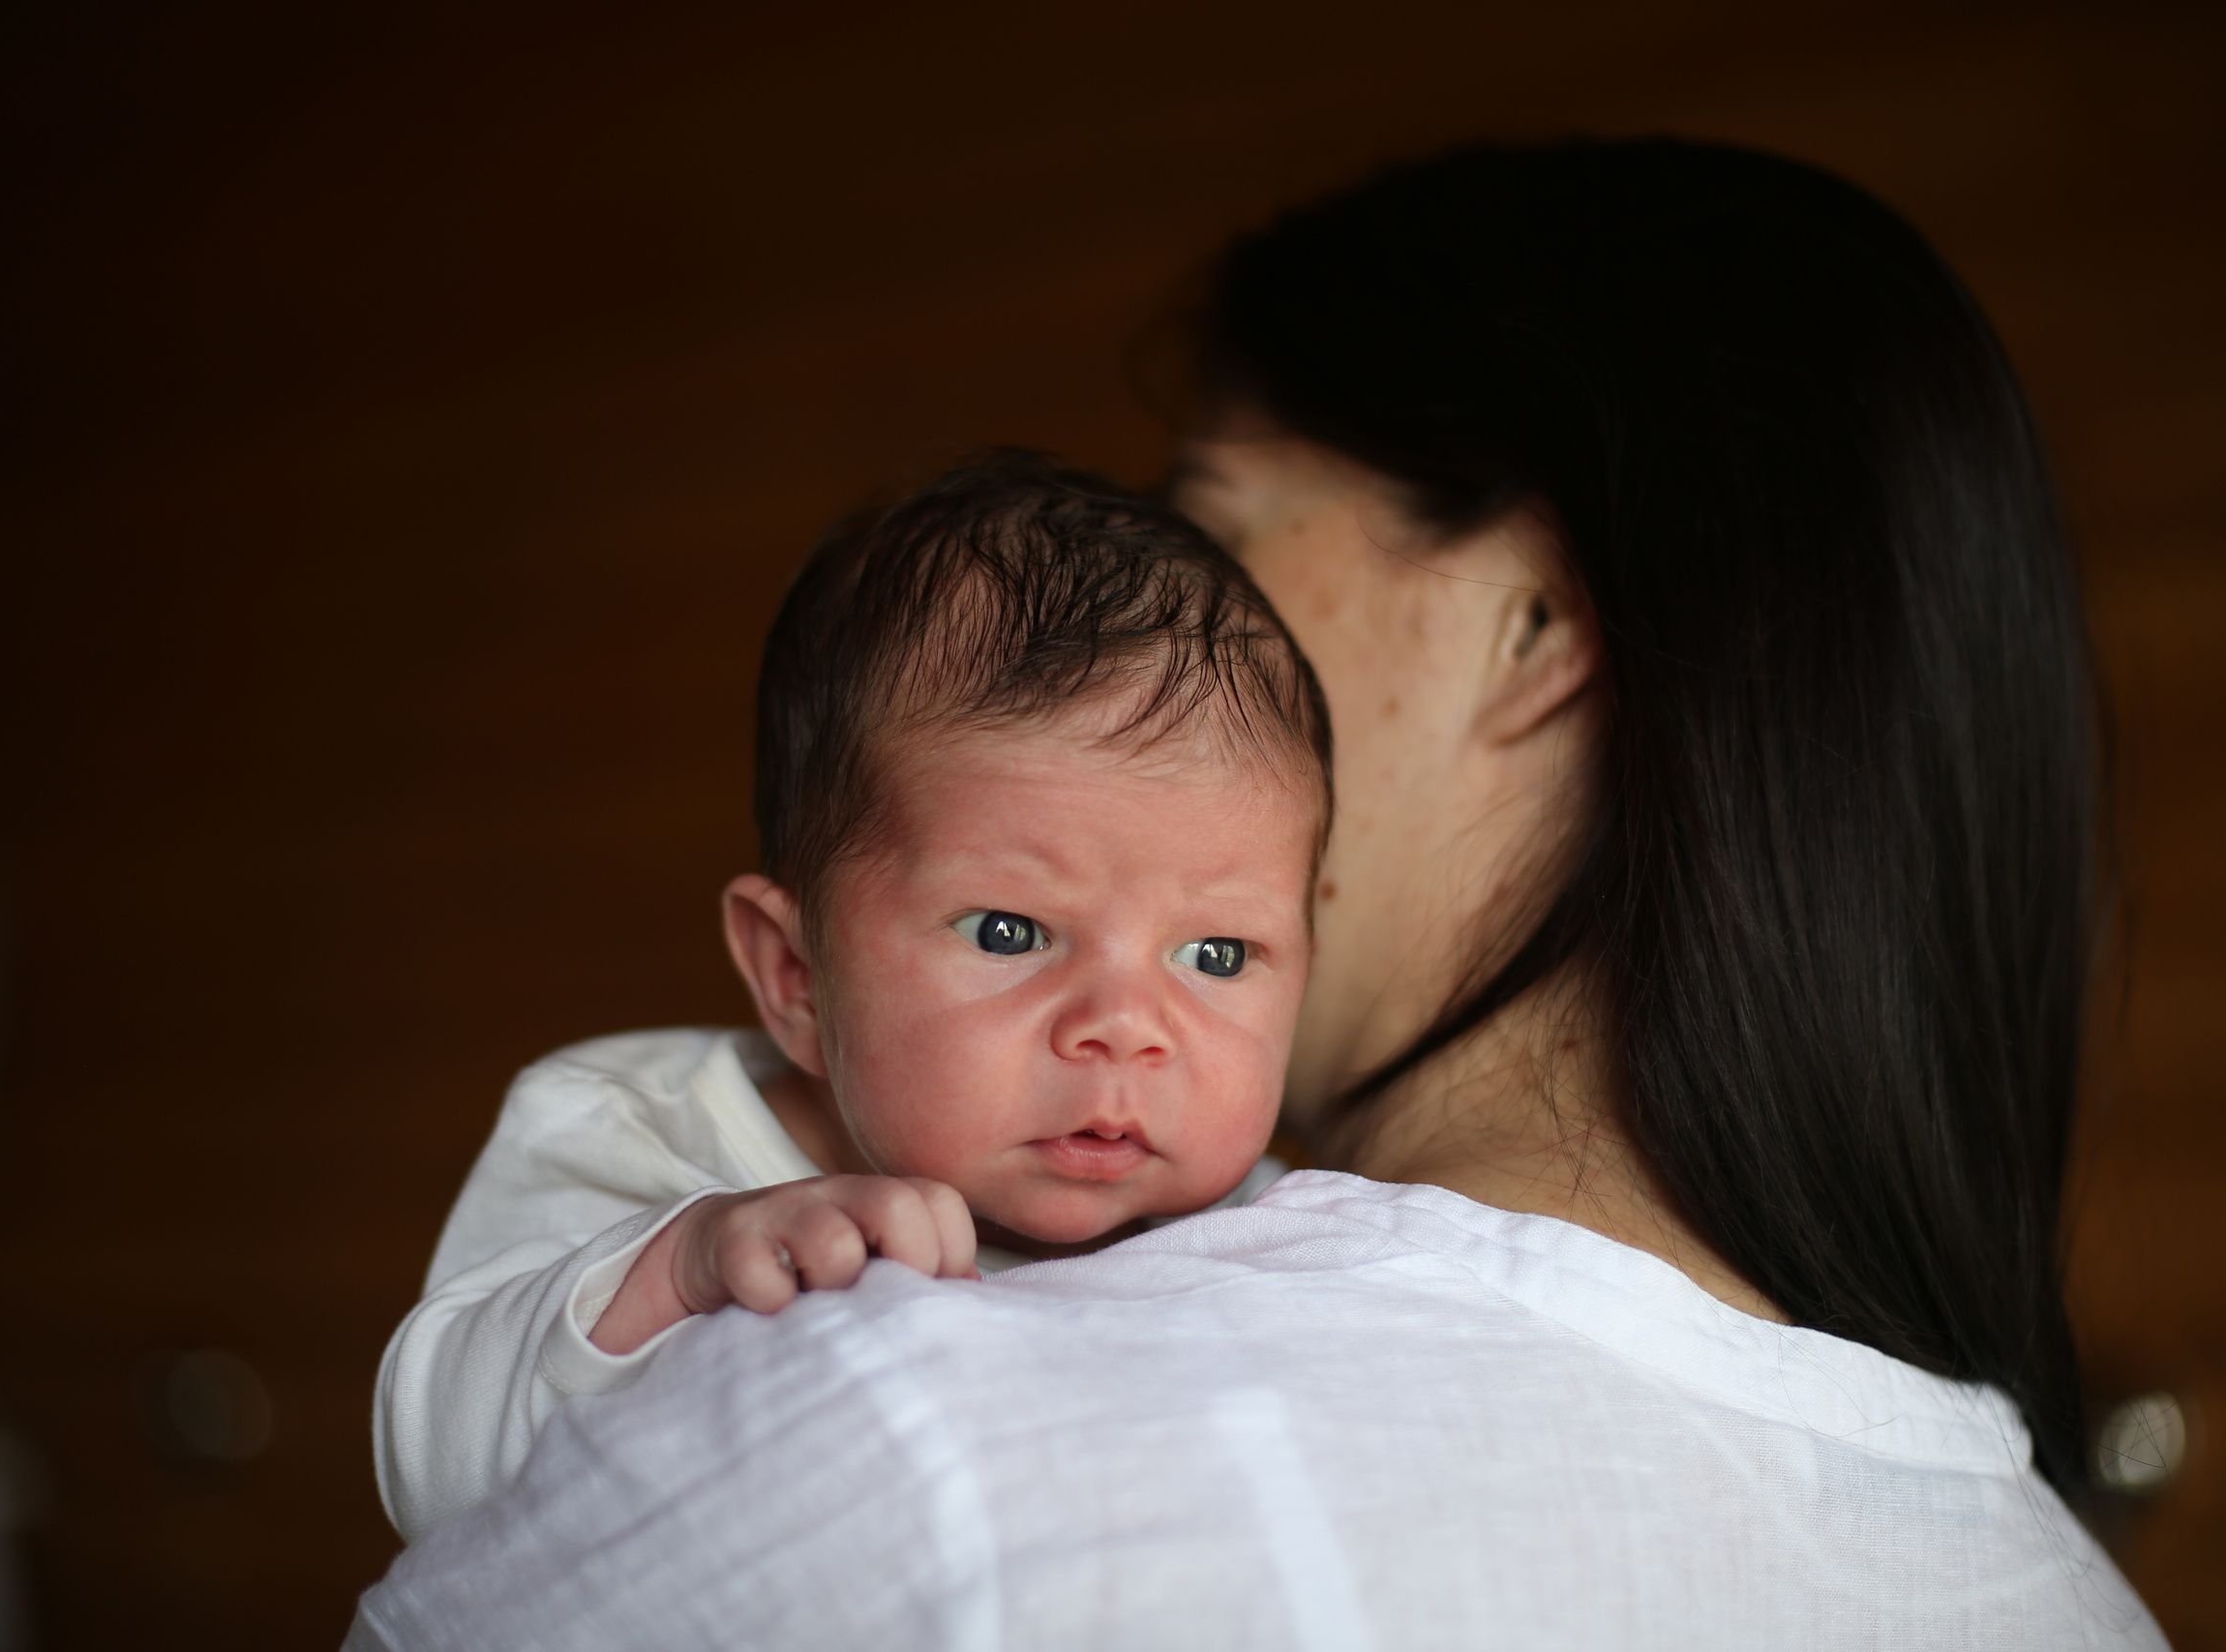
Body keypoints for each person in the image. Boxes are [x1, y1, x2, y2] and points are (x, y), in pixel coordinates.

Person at [346, 139, 2164, 1649]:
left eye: (1208, 534)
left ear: (1533, 622)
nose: (1140, 678)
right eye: (1013, 928)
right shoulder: (2069, 1602)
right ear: (788, 965)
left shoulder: (904, 1443)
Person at [373, 453, 1329, 1542]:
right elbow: (436, 1476)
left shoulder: (1275, 1237)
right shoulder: (629, 1133)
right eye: (1009, 932)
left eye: (1216, 953)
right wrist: (686, 1265)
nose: (1124, 1026)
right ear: (798, 978)